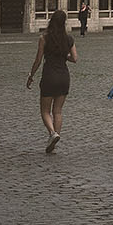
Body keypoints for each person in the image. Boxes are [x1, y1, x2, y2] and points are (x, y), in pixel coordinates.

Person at [27, 9, 77, 153]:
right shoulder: (69, 39)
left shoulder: (44, 38)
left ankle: (52, 133)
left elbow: (38, 60)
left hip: (49, 76)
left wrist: (31, 75)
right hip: (64, 77)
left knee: (44, 110)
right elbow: (74, 58)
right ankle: (54, 140)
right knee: (58, 111)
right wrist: (64, 55)